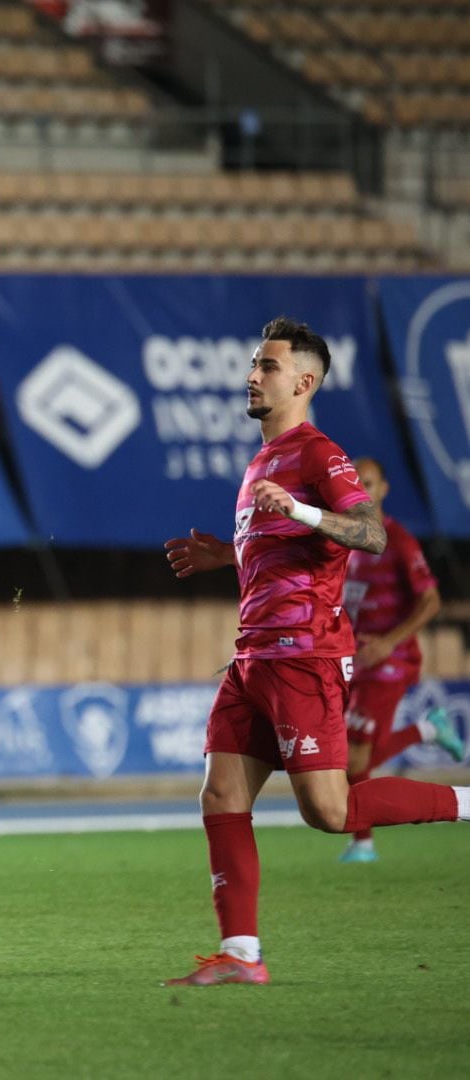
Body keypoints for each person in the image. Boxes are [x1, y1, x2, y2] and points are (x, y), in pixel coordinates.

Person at [162, 317, 470, 987]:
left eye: (266, 366)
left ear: (303, 381)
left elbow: (369, 533)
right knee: (219, 796)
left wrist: (300, 514)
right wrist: (232, 553)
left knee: (330, 812)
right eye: (253, 362)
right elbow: (284, 554)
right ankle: (242, 955)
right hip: (254, 660)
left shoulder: (317, 453)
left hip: (305, 659)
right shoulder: (261, 462)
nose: (252, 374)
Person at [339, 457, 466, 863]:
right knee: (348, 759)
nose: (361, 487)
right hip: (357, 662)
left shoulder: (399, 541)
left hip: (389, 664)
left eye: (369, 482)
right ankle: (428, 729)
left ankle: (363, 844)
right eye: (355, 482)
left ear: (383, 490)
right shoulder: (348, 541)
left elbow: (431, 601)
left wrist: (389, 643)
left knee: (351, 759)